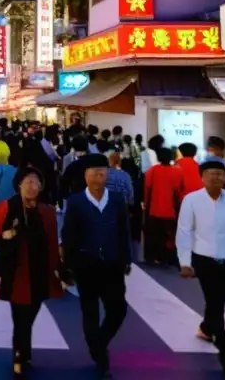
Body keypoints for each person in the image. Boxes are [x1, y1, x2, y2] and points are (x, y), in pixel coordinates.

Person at [176, 160, 225, 379]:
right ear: (202, 177)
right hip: (205, 262)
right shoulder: (191, 200)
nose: (216, 178)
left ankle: (206, 327)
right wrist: (185, 262)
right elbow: (184, 232)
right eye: (211, 174)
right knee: (216, 305)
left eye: (220, 174)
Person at [0, 166, 62, 375]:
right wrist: (4, 235)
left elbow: (53, 243)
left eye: (36, 182)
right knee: (20, 316)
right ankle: (19, 354)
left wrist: (59, 270)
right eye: (27, 181)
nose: (32, 186)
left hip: (40, 271)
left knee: (30, 314)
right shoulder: (6, 207)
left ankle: (23, 351)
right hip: (16, 270)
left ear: (41, 186)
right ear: (19, 184)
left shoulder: (47, 211)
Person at [61, 155, 130, 378]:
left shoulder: (117, 199)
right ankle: (101, 358)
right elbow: (69, 234)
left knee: (118, 309)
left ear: (107, 174)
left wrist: (127, 258)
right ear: (85, 176)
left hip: (112, 264)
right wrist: (68, 265)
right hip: (86, 265)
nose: (98, 176)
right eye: (93, 172)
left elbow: (124, 231)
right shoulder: (76, 201)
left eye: (102, 172)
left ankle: (99, 342)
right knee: (89, 312)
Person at [143, 147, 183, 265]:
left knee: (153, 235)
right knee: (170, 235)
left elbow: (147, 189)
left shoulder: (152, 170)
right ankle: (168, 258)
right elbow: (178, 191)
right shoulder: (177, 171)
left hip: (153, 208)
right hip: (170, 209)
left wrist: (146, 205)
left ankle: (152, 257)